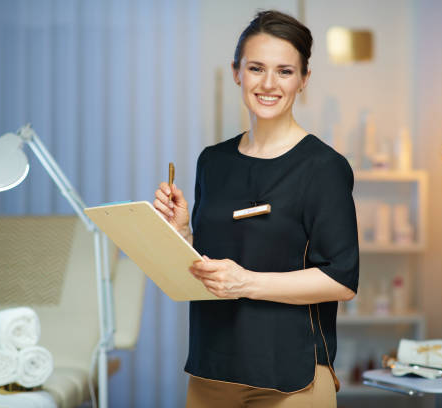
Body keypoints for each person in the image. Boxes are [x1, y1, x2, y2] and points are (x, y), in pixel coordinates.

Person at [153, 10, 359, 408]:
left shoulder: (323, 168)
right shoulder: (212, 162)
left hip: (291, 376)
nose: (268, 84)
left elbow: (342, 280)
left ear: (304, 80)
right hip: (211, 370)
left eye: (284, 71)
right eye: (256, 68)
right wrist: (182, 235)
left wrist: (246, 282)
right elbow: (214, 266)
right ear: (237, 73)